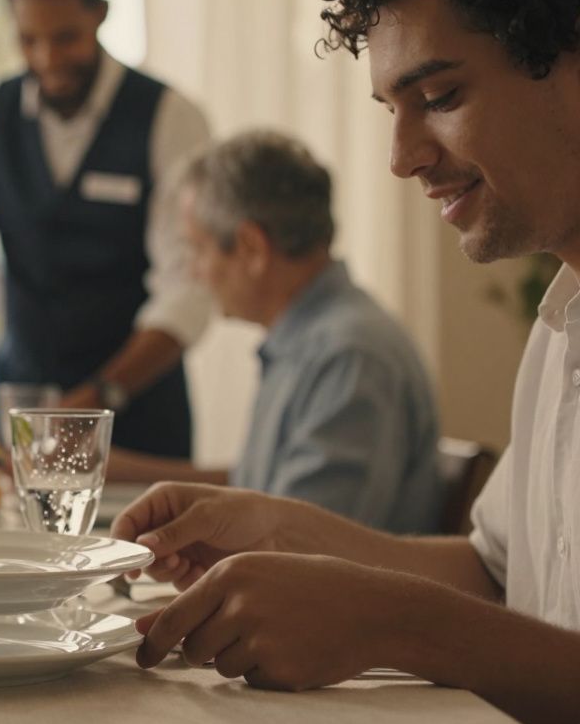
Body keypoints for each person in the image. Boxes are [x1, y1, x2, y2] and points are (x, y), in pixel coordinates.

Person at [110, 0, 580, 722]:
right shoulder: (560, 325)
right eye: (392, 111)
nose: (401, 159)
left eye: (440, 96)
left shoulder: (350, 350)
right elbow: (497, 576)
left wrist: (396, 623)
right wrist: (281, 529)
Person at [0, 0, 212, 458]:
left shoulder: (171, 119)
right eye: (29, 41)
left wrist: (97, 399)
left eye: (66, 39)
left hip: (140, 418)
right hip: (19, 407)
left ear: (101, 16)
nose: (47, 58)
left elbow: (188, 289)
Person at [109, 131, 443, 534]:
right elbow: (264, 490)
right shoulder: (311, 340)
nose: (195, 272)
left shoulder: (347, 356)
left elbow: (305, 546)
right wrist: (122, 471)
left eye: (198, 249)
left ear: (251, 248)